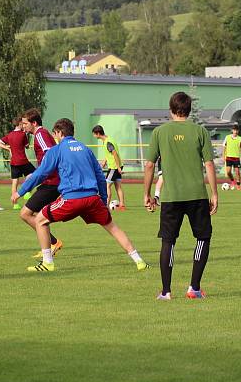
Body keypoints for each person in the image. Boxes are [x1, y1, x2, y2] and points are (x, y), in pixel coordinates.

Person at [12, 118, 148, 273]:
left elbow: (41, 174)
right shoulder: (85, 148)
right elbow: (99, 176)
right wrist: (103, 201)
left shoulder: (57, 150)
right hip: (92, 198)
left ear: (60, 133)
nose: (55, 137)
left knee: (40, 220)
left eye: (55, 134)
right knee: (112, 227)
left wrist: (20, 191)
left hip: (72, 199)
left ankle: (47, 263)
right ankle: (139, 261)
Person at [143, 91, 218, 301]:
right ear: (189, 110)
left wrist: (147, 194)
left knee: (168, 242)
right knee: (203, 238)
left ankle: (166, 292)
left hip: (170, 196)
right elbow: (209, 164)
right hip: (196, 195)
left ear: (171, 110)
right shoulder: (200, 131)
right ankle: (194, 288)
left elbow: (149, 165)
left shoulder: (159, 132)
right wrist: (214, 193)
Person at [19, 108, 63, 257]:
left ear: (34, 122)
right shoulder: (40, 134)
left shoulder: (40, 134)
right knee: (39, 216)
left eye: (25, 123)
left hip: (52, 182)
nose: (23, 126)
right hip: (51, 180)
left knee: (25, 214)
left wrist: (38, 173)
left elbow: (50, 153)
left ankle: (52, 243)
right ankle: (49, 246)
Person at [0, 117, 35, 210]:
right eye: (23, 124)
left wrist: (8, 148)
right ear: (20, 124)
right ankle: (27, 191)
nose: (24, 125)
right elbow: (26, 146)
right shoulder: (23, 134)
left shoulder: (9, 135)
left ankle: (15, 204)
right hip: (23, 160)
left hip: (14, 162)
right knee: (33, 174)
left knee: (15, 182)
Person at [92, 125, 126, 210]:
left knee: (106, 186)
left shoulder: (108, 142)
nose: (94, 136)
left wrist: (117, 167)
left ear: (98, 133)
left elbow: (114, 154)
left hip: (114, 167)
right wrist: (104, 162)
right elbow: (109, 154)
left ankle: (105, 205)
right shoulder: (108, 140)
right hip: (117, 166)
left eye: (94, 134)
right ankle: (122, 205)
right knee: (118, 186)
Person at [222, 124, 241, 189]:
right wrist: (223, 156)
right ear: (232, 130)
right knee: (228, 172)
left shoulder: (240, 139)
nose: (235, 131)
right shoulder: (227, 137)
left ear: (238, 131)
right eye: (234, 130)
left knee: (237, 172)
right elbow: (224, 147)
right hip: (228, 157)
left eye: (236, 130)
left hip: (236, 158)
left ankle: (238, 185)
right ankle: (232, 181)